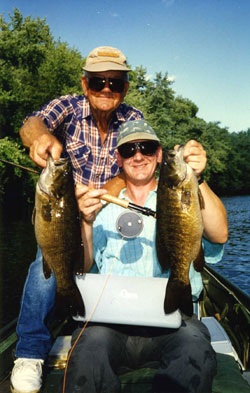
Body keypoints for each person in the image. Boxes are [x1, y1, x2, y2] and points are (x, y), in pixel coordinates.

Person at [10, 46, 144, 393]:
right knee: (47, 262)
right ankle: (29, 354)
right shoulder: (67, 105)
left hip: (112, 212)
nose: (106, 88)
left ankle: (134, 338)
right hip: (63, 213)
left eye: (114, 82)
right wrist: (40, 137)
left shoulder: (134, 118)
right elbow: (31, 124)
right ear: (86, 84)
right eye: (98, 81)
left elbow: (137, 165)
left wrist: (105, 193)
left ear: (124, 88)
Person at [62, 120, 228, 393]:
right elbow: (82, 266)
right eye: (129, 150)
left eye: (147, 147)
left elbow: (220, 235)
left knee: (194, 352)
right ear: (119, 158)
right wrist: (86, 223)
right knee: (86, 353)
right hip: (109, 325)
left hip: (176, 320)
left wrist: (200, 178)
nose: (138, 156)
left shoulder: (181, 192)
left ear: (159, 154)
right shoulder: (101, 206)